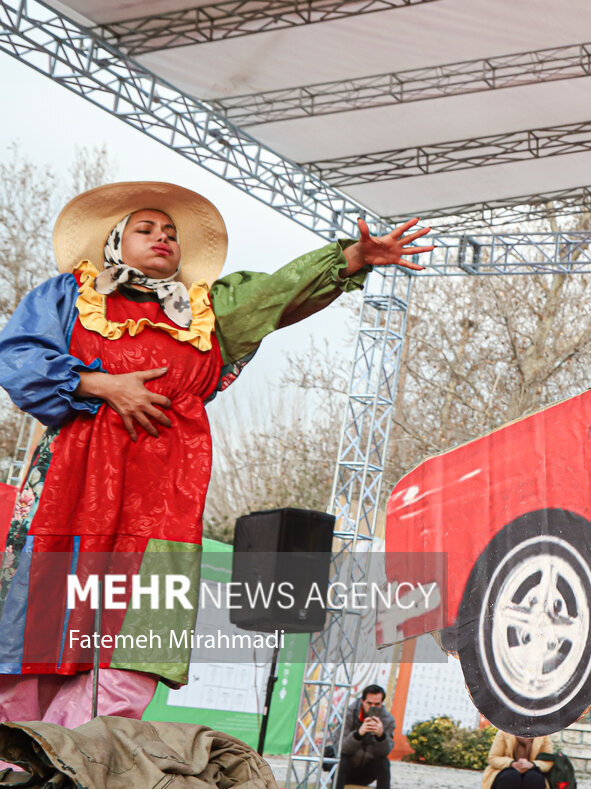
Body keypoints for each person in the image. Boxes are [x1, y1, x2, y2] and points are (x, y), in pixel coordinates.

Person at [0, 182, 430, 725]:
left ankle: (87, 755)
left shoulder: (207, 311)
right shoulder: (67, 296)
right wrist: (106, 387)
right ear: (113, 241)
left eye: (172, 233)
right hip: (76, 479)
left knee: (144, 622)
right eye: (146, 229)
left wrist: (355, 257)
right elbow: (20, 359)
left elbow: (279, 291)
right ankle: (18, 753)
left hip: (167, 490)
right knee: (47, 610)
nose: (163, 238)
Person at [335, 684, 396, 789]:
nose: (372, 707)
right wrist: (358, 734)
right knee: (342, 760)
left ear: (382, 703)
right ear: (362, 701)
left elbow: (385, 752)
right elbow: (341, 748)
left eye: (377, 704)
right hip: (346, 768)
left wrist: (380, 737)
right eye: (369, 703)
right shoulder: (348, 714)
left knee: (383, 763)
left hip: (367, 770)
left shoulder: (387, 720)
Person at [481, 731, 553, 789]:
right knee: (510, 776)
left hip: (533, 769)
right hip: (506, 769)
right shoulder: (504, 731)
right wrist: (512, 763)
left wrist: (532, 764)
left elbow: (548, 761)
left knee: (533, 778)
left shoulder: (544, 735)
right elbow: (493, 758)